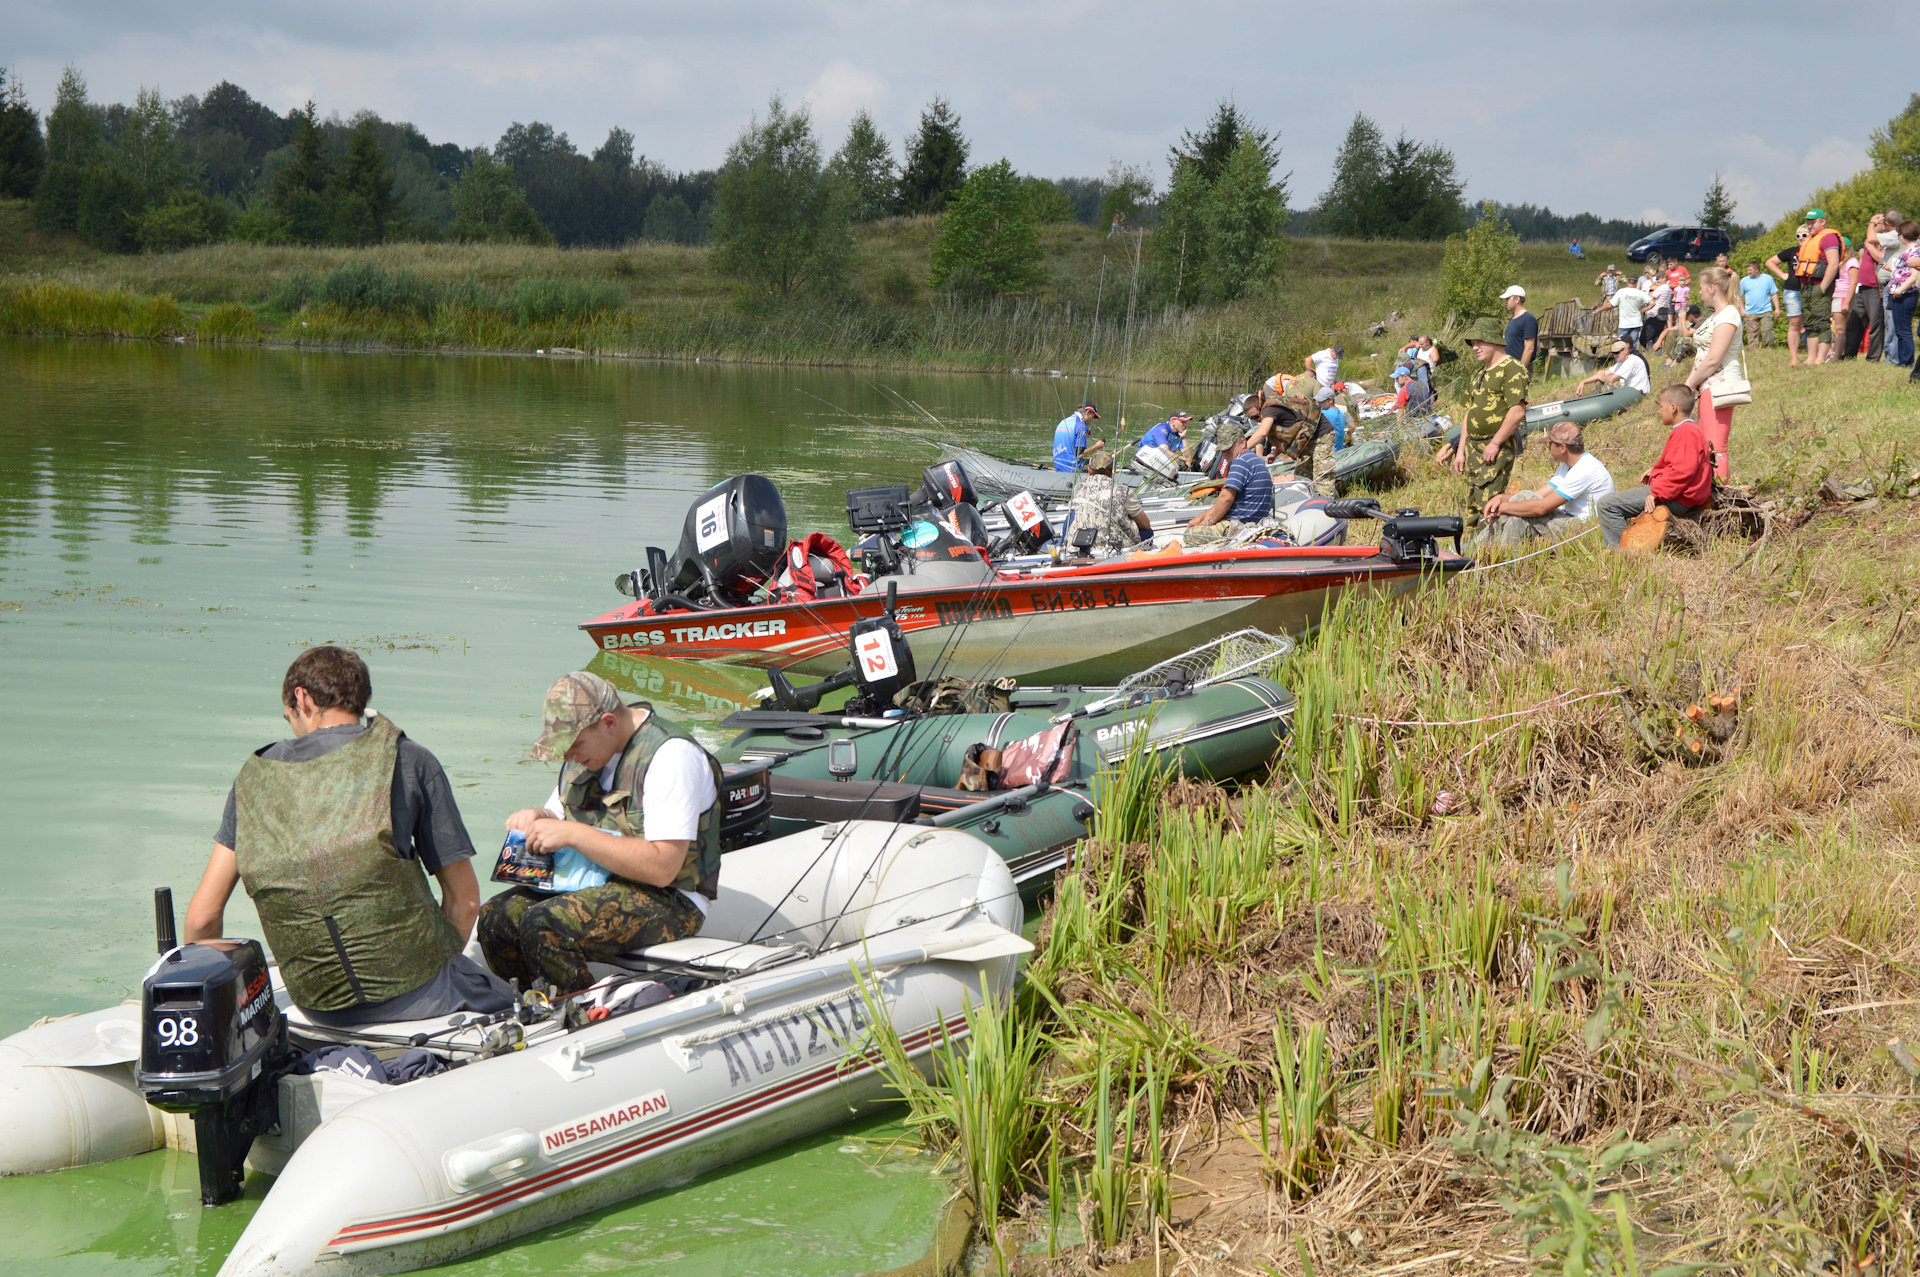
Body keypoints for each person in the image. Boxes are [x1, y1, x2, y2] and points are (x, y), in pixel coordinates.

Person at [184, 646, 511, 1027]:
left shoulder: (253, 779)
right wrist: (433, 967)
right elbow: (466, 902)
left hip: (315, 1005)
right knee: (516, 1000)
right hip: (421, 995)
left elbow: (203, 919)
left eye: (288, 715)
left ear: (302, 699)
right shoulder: (409, 759)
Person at [478, 671, 724, 993]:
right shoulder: (588, 753)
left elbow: (663, 868)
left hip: (671, 899)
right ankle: (536, 1007)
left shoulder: (671, 757)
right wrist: (537, 817)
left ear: (609, 723)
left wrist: (573, 834)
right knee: (495, 918)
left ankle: (583, 1015)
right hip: (595, 881)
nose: (568, 756)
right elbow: (558, 812)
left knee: (545, 924)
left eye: (575, 744)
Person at [1595, 385, 1714, 549]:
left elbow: (1682, 471)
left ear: (1673, 408)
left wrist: (1656, 493)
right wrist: (1655, 470)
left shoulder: (1685, 432)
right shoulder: (1689, 429)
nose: (1659, 411)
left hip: (1678, 498)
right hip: (1679, 496)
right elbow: (1681, 464)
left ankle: (1621, 555)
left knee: (1607, 505)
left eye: (1660, 406)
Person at [1441, 316, 1529, 534]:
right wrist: (1459, 450)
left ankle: (1489, 549)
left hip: (1494, 448)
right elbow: (1469, 413)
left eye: (1479, 342)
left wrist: (1496, 443)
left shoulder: (1512, 369)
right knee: (1472, 499)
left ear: (1494, 341)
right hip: (1472, 446)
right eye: (1473, 343)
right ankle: (1472, 549)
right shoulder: (1480, 373)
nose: (1475, 347)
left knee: (1489, 502)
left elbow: (1517, 411)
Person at [1479, 422, 1615, 545]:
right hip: (1567, 519)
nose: (1548, 448)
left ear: (1563, 448)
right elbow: (1537, 495)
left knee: (1521, 511)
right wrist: (1501, 498)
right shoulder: (1568, 466)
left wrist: (1502, 508)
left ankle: (1480, 549)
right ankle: (1486, 552)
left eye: (1550, 444)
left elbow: (1541, 507)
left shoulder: (1585, 469)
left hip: (1583, 528)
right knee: (1518, 519)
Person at [1686, 266, 1745, 480]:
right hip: (1706, 385)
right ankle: (1710, 490)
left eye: (1701, 288)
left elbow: (1714, 358)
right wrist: (1689, 384)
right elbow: (1703, 355)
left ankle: (1723, 493)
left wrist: (1689, 384)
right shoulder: (1715, 315)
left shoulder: (1729, 314)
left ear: (1712, 288)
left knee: (1716, 445)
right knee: (1706, 443)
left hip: (1720, 384)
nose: (1699, 292)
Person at [1185, 419, 1273, 535]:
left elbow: (1226, 498)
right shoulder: (1255, 460)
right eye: (1222, 450)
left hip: (1240, 526)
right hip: (1254, 522)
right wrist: (1202, 516)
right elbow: (1229, 501)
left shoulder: (1240, 462)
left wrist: (1211, 521)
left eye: (1228, 448)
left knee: (1189, 534)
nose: (1225, 453)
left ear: (1242, 442)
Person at [1068, 448, 1153, 553]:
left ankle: (1066, 548)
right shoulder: (1124, 491)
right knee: (1148, 532)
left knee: (1071, 516)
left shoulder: (1078, 489)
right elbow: (1145, 525)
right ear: (1114, 470)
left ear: (1089, 470)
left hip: (1081, 546)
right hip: (1115, 547)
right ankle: (1143, 553)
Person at [1793, 209, 1844, 366]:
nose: (1809, 225)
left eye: (1813, 222)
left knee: (1821, 322)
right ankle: (1810, 358)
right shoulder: (1811, 239)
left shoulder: (1828, 238)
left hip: (1819, 285)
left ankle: (1821, 359)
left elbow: (1833, 263)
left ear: (1823, 222)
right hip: (1806, 286)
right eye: (1808, 222)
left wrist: (1823, 286)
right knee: (1809, 323)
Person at [1843, 213, 1888, 360]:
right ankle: (1849, 354)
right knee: (1854, 324)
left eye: (1877, 224)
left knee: (1875, 325)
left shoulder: (1887, 241)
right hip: (1863, 288)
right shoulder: (1873, 241)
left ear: (1884, 225)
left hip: (1876, 288)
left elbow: (1879, 257)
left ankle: (1873, 357)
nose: (1873, 227)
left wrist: (1871, 224)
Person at [1769, 224, 1812, 365]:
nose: (1800, 238)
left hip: (1811, 289)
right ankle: (1794, 358)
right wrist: (1782, 274)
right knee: (1794, 325)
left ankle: (1813, 356)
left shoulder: (1815, 250)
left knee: (1813, 323)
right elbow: (1770, 262)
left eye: (1804, 235)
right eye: (1798, 235)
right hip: (1792, 291)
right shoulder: (1792, 251)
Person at [1883, 219, 1920, 368]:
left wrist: (1900, 289)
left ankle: (1907, 362)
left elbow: (1913, 276)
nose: (1898, 237)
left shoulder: (1914, 251)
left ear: (1904, 235)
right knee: (1899, 329)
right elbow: (1903, 273)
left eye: (1899, 234)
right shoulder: (1908, 251)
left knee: (1904, 330)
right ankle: (1902, 360)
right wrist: (1891, 269)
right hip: (1899, 293)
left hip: (1905, 294)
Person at [1574, 339, 1650, 396]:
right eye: (1613, 353)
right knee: (1599, 382)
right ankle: (1590, 401)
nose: (1615, 356)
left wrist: (1602, 377)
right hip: (1629, 392)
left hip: (1639, 393)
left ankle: (1599, 405)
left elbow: (1613, 378)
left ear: (1626, 350)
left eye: (1617, 353)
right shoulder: (1621, 363)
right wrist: (1583, 382)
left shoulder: (1632, 361)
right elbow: (1603, 374)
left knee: (1608, 385)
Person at [1738, 260, 1780, 348]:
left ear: (1756, 270)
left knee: (1767, 331)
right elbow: (1739, 296)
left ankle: (1768, 349)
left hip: (1766, 310)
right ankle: (1753, 350)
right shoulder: (1744, 281)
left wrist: (1777, 308)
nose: (1748, 272)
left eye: (1750, 270)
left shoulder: (1768, 278)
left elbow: (1774, 293)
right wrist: (1742, 309)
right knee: (1752, 334)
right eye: (1748, 270)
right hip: (1750, 312)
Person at [1052, 402, 1103, 472]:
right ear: (1088, 412)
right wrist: (1097, 446)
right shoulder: (1082, 427)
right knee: (1102, 463)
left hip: (1058, 465)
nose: (1092, 420)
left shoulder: (1064, 421)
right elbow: (1080, 455)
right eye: (1093, 417)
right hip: (1072, 468)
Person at [1605, 280, 1652, 348]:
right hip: (1636, 323)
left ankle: (1620, 358)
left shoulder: (1621, 291)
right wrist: (1644, 309)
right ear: (1636, 283)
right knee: (1632, 345)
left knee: (1620, 345)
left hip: (1624, 324)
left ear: (1627, 283)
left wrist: (1599, 310)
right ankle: (1631, 356)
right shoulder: (1640, 293)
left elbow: (1610, 305)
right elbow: (1653, 303)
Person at [1502, 285, 1538, 368]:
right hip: (1509, 367)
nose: (1505, 302)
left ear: (1517, 299)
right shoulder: (1513, 319)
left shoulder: (1528, 319)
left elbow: (1529, 348)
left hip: (1519, 367)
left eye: (1508, 298)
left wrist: (1521, 370)